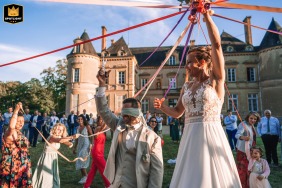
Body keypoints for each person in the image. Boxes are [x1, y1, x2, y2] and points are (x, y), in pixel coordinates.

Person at [153, 10, 241, 187]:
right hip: (190, 136)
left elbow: (216, 45)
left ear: (202, 63)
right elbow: (177, 112)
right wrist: (163, 107)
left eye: (190, 62)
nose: (186, 67)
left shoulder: (215, 80)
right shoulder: (186, 86)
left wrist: (207, 15)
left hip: (210, 134)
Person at [96, 69, 163, 187]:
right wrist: (102, 85)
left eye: (127, 114)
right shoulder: (119, 126)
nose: (123, 117)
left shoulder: (152, 137)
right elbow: (103, 110)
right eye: (123, 113)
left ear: (136, 113)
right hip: (116, 183)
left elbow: (157, 171)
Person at [0, 102, 32, 187]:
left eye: (22, 121)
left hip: (23, 165)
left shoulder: (20, 133)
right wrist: (16, 111)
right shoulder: (9, 133)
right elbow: (11, 126)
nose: (21, 123)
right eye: (18, 121)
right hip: (11, 165)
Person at [32, 123, 74, 188]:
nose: (59, 131)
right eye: (58, 129)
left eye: (61, 130)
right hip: (47, 159)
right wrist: (73, 137)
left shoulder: (58, 137)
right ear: (54, 130)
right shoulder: (52, 137)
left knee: (52, 176)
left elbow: (62, 140)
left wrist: (69, 143)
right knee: (46, 176)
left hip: (53, 157)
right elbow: (59, 140)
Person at [235, 112, 261, 188]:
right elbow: (237, 135)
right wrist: (243, 137)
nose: (253, 120)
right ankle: (242, 185)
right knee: (243, 169)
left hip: (251, 150)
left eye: (255, 119)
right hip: (242, 151)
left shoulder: (252, 125)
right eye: (251, 118)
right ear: (248, 118)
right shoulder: (243, 124)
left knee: (249, 169)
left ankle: (248, 184)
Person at [84, 116, 110, 188]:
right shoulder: (97, 129)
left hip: (99, 152)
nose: (101, 121)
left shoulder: (103, 129)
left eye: (103, 120)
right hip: (97, 153)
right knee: (105, 169)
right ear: (98, 121)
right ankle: (108, 185)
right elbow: (103, 127)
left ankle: (86, 186)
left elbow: (109, 127)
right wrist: (107, 119)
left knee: (93, 170)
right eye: (100, 120)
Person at [73, 115, 93, 184]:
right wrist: (74, 148)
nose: (80, 120)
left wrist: (91, 144)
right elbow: (77, 139)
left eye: (81, 119)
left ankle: (86, 176)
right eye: (79, 119)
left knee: (82, 158)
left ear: (84, 120)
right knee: (79, 160)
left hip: (86, 144)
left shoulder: (87, 127)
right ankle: (84, 177)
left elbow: (91, 136)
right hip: (80, 145)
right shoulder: (77, 128)